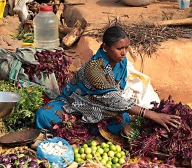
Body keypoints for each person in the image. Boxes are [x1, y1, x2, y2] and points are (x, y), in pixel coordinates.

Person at [35, 25, 180, 135]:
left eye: (126, 47)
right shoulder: (95, 69)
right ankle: (87, 128)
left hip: (103, 107)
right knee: (45, 115)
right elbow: (115, 99)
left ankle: (91, 127)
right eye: (119, 48)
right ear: (105, 47)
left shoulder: (120, 62)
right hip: (73, 104)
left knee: (123, 120)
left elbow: (117, 95)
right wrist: (153, 114)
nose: (124, 53)